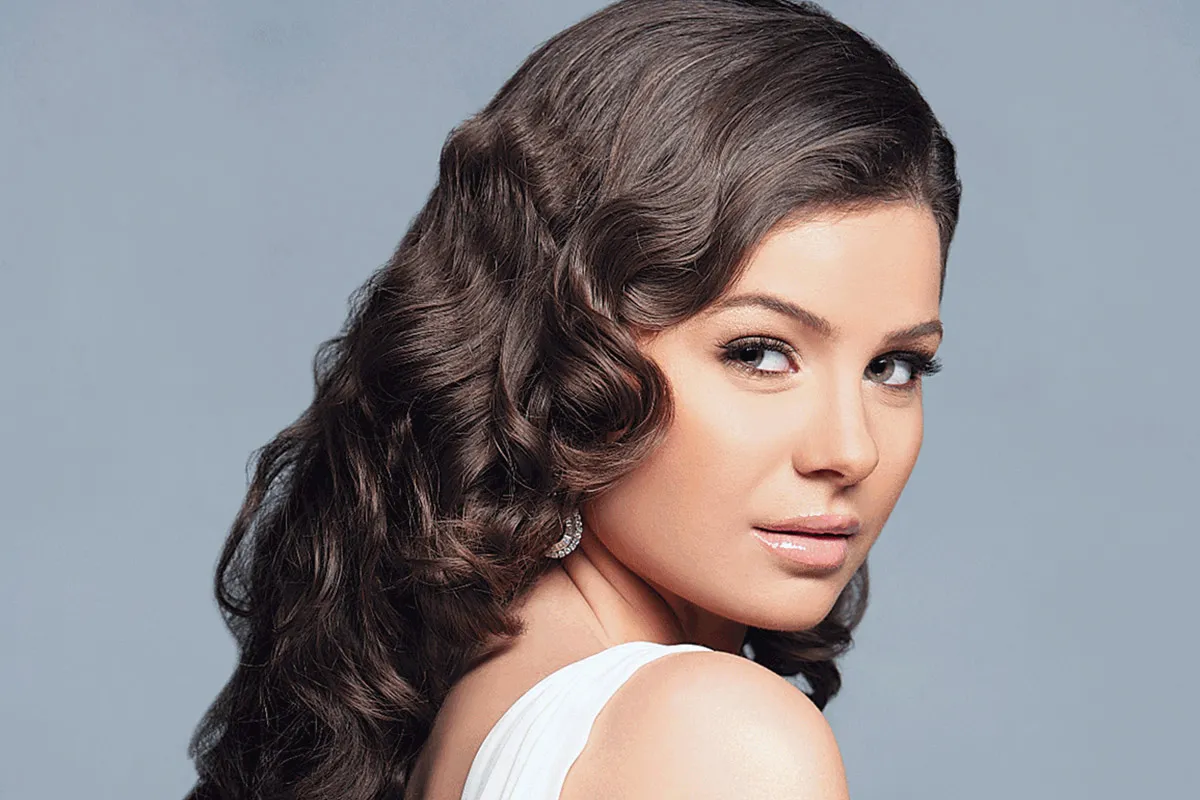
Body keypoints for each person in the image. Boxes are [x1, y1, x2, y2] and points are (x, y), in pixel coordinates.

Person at [184, 0, 961, 797]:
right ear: (563, 353)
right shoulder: (717, 737)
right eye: (758, 353)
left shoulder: (476, 705)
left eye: (894, 367)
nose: (851, 451)